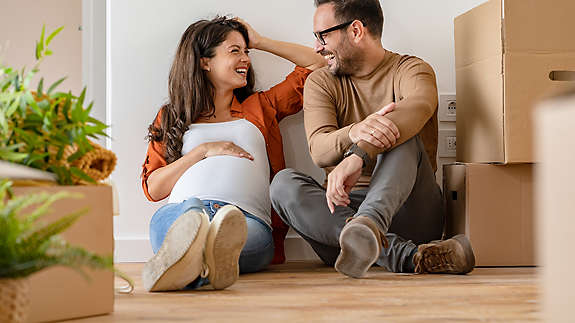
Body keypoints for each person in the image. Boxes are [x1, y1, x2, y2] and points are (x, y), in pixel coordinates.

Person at [270, 0, 475, 278]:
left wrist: (359, 153)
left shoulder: (412, 69)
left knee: (402, 132)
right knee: (282, 185)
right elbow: (319, 149)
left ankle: (370, 225)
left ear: (355, 30)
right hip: (340, 223)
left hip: (409, 211)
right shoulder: (321, 81)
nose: (317, 47)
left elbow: (418, 108)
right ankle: (409, 256)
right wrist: (355, 130)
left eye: (323, 36)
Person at [141, 16, 324, 292]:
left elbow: (318, 65)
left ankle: (187, 268)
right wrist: (202, 151)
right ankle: (203, 263)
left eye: (246, 51)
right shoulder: (172, 116)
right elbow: (154, 188)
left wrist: (260, 41)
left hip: (245, 222)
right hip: (182, 212)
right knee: (186, 220)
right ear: (205, 61)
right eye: (235, 51)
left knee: (231, 241)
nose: (246, 59)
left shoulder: (261, 106)